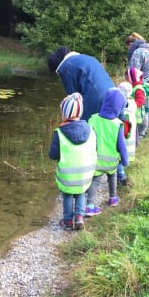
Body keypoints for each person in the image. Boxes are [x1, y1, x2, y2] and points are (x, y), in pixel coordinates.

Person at [48, 92, 97, 230]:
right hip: (85, 173)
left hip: (68, 175)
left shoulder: (60, 132)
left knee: (68, 194)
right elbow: (95, 149)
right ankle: (79, 217)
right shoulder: (91, 130)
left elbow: (53, 155)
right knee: (81, 191)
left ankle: (68, 220)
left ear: (65, 114)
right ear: (80, 112)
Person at [85, 87, 129, 216]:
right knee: (112, 177)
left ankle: (90, 205)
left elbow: (87, 139)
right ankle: (113, 198)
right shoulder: (118, 124)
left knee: (95, 180)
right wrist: (125, 160)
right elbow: (121, 145)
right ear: (119, 107)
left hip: (96, 160)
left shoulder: (93, 119)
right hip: (112, 162)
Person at [48, 46, 115, 122]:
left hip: (97, 100)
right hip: (113, 96)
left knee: (83, 123)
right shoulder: (86, 58)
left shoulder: (66, 68)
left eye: (58, 74)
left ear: (58, 66)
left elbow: (73, 99)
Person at [125, 33, 149, 137]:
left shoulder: (138, 52)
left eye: (128, 48)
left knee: (143, 109)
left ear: (131, 44)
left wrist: (129, 89)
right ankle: (146, 131)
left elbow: (133, 72)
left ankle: (140, 134)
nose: (128, 50)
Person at [116, 81, 138, 186]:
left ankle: (122, 177)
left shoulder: (121, 106)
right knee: (123, 159)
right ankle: (121, 175)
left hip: (122, 139)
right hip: (130, 139)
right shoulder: (133, 103)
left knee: (119, 160)